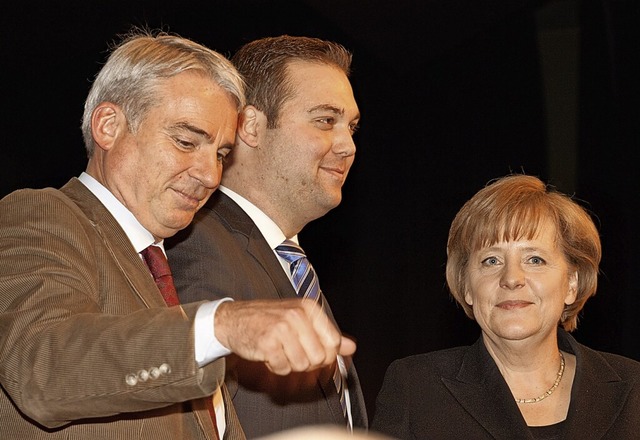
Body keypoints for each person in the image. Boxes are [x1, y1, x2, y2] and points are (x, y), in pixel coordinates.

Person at [0, 30, 355, 440]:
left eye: (221, 154)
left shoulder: (160, 271)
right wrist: (222, 324)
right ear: (109, 126)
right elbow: (45, 368)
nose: (209, 175)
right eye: (186, 141)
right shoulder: (40, 215)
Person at [166, 35, 367, 437]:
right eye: (325, 120)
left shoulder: (290, 261)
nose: (347, 146)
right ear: (251, 127)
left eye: (352, 127)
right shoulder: (197, 242)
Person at [372, 174, 640, 439]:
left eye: (534, 260)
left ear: (571, 283)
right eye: (491, 260)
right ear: (467, 286)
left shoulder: (633, 387)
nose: (511, 278)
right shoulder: (416, 388)